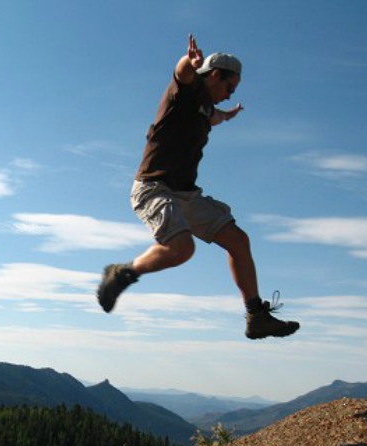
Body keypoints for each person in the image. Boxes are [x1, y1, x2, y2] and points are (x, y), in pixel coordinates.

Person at [97, 34, 300, 339]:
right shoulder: (187, 91)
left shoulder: (205, 109)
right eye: (229, 87)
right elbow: (183, 73)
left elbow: (213, 117)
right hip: (154, 188)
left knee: (238, 241)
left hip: (186, 194)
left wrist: (227, 116)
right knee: (181, 249)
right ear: (214, 75)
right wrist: (188, 62)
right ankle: (122, 273)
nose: (230, 95)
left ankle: (256, 316)